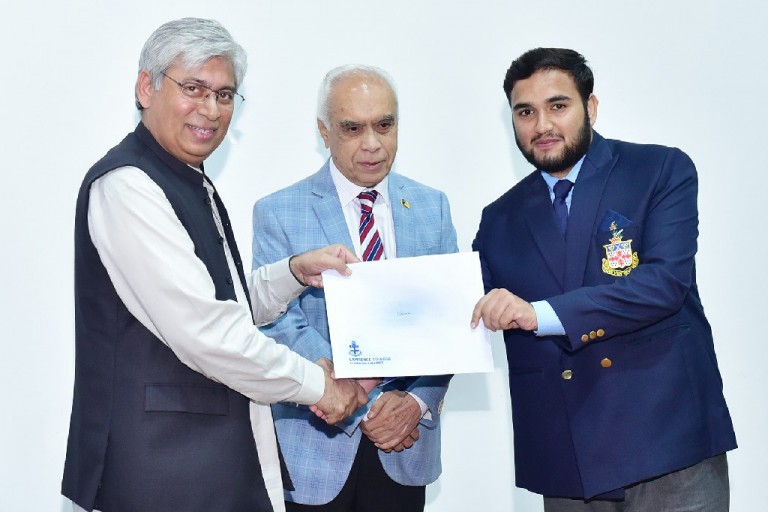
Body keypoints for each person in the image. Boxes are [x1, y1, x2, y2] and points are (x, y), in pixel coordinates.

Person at [62, 18, 368, 512]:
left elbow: (219, 299)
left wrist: (292, 273)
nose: (211, 109)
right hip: (164, 471)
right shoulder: (129, 186)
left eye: (225, 95)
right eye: (193, 88)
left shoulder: (188, 179)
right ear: (146, 87)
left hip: (202, 466)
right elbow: (206, 331)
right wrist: (318, 386)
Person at [470, 48, 737, 511]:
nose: (542, 125)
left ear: (590, 107)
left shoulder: (658, 170)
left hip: (669, 443)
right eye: (525, 112)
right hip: (566, 457)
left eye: (558, 105)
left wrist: (539, 315)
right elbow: (459, 310)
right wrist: (355, 288)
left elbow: (664, 284)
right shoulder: (499, 219)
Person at [251, 64, 458, 512]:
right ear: (324, 131)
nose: (372, 143)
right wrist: (367, 403)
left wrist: (416, 402)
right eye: (352, 128)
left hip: (405, 443)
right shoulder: (278, 211)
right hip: (313, 449)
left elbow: (450, 323)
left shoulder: (432, 207)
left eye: (384, 125)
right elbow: (278, 325)